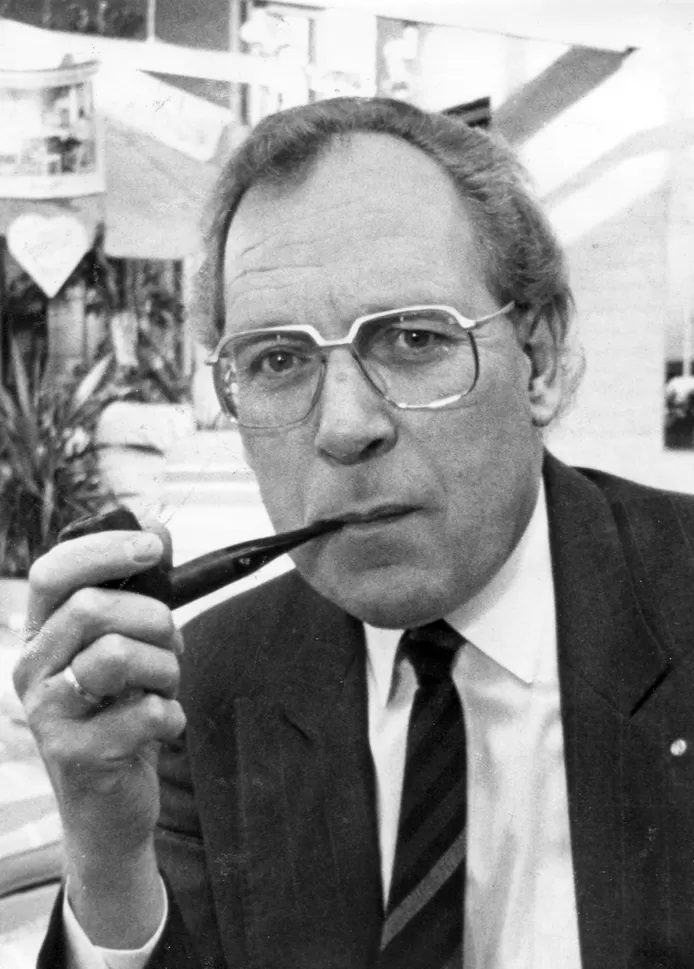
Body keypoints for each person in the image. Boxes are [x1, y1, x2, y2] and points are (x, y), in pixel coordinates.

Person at [14, 97, 694, 969]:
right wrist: (107, 855)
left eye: (414, 338)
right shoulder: (204, 684)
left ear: (542, 362)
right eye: (277, 361)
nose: (344, 426)